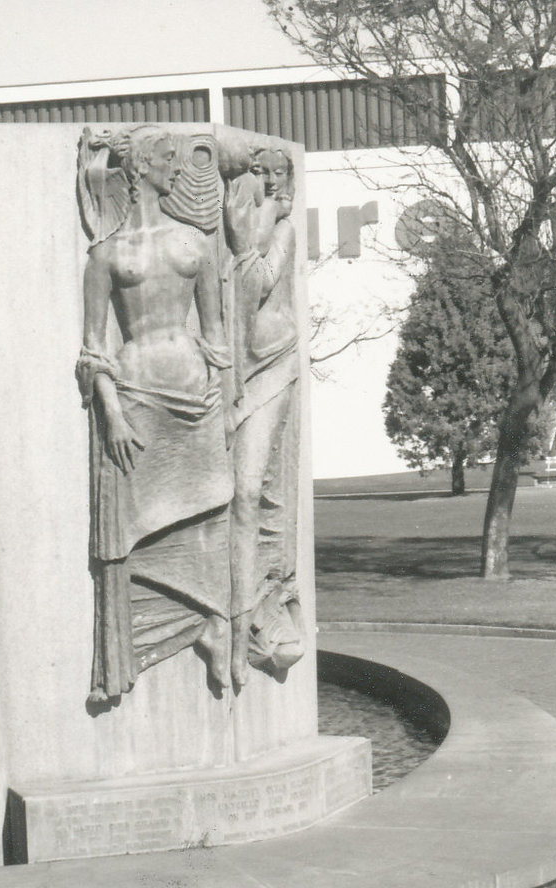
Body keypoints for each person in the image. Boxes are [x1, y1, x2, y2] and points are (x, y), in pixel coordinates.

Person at [76, 125, 233, 703]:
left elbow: (217, 340)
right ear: (140, 168)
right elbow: (93, 351)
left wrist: (225, 403)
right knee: (132, 534)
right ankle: (128, 654)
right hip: (137, 403)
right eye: (168, 159)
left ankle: (216, 622)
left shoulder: (196, 244)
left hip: (196, 400)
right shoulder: (106, 255)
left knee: (207, 513)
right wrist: (112, 415)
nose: (178, 170)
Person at [223, 142, 303, 690]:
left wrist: (267, 213)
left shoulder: (282, 228)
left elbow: (257, 283)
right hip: (234, 370)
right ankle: (234, 611)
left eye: (279, 175)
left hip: (272, 364)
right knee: (232, 494)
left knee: (252, 490)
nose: (271, 182)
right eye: (261, 173)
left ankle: (260, 605)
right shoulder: (236, 224)